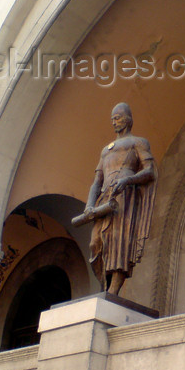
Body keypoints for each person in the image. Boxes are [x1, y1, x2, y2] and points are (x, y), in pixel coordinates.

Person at [75, 103, 157, 295]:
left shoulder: (139, 142)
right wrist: (89, 205)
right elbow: (97, 181)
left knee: (118, 241)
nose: (114, 122)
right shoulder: (106, 150)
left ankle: (113, 291)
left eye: (118, 117)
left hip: (125, 198)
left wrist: (129, 180)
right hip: (104, 198)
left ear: (128, 119)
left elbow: (149, 171)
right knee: (95, 243)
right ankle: (104, 285)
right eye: (112, 118)